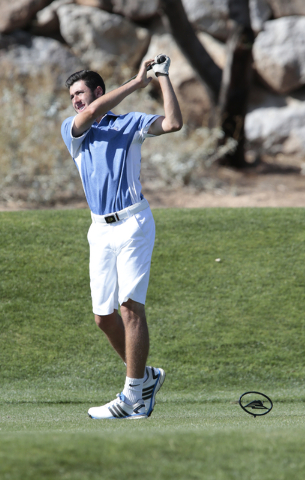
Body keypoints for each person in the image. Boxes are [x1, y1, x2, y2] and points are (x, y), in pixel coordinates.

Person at [61, 55, 182, 419]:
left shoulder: (130, 123)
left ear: (97, 90)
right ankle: (145, 377)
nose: (76, 101)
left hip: (133, 223)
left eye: (81, 93)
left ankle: (133, 397)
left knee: (130, 307)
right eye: (72, 97)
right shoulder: (73, 129)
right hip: (99, 229)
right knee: (103, 316)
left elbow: (174, 123)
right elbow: (93, 111)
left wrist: (160, 78)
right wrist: (137, 81)